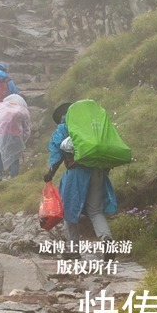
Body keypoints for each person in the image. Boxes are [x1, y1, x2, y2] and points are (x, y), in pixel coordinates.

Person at [44, 102, 118, 261]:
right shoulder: (92, 125)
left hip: (76, 173)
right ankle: (107, 241)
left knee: (70, 211)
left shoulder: (64, 127)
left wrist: (50, 173)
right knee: (95, 211)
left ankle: (73, 250)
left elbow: (57, 153)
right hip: (97, 171)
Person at [0, 94, 31, 182]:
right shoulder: (23, 111)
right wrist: (23, 141)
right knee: (14, 157)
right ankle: (13, 177)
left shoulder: (0, 106)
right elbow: (26, 129)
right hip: (15, 136)